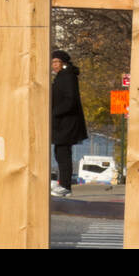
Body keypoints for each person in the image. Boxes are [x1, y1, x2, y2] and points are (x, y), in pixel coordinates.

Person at [50, 49, 87, 197]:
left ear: (63, 62)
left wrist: (53, 112)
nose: (54, 65)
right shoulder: (62, 76)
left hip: (67, 123)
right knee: (60, 153)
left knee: (63, 153)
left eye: (57, 62)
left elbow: (70, 100)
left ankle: (65, 185)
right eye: (52, 62)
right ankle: (63, 183)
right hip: (63, 122)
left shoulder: (67, 77)